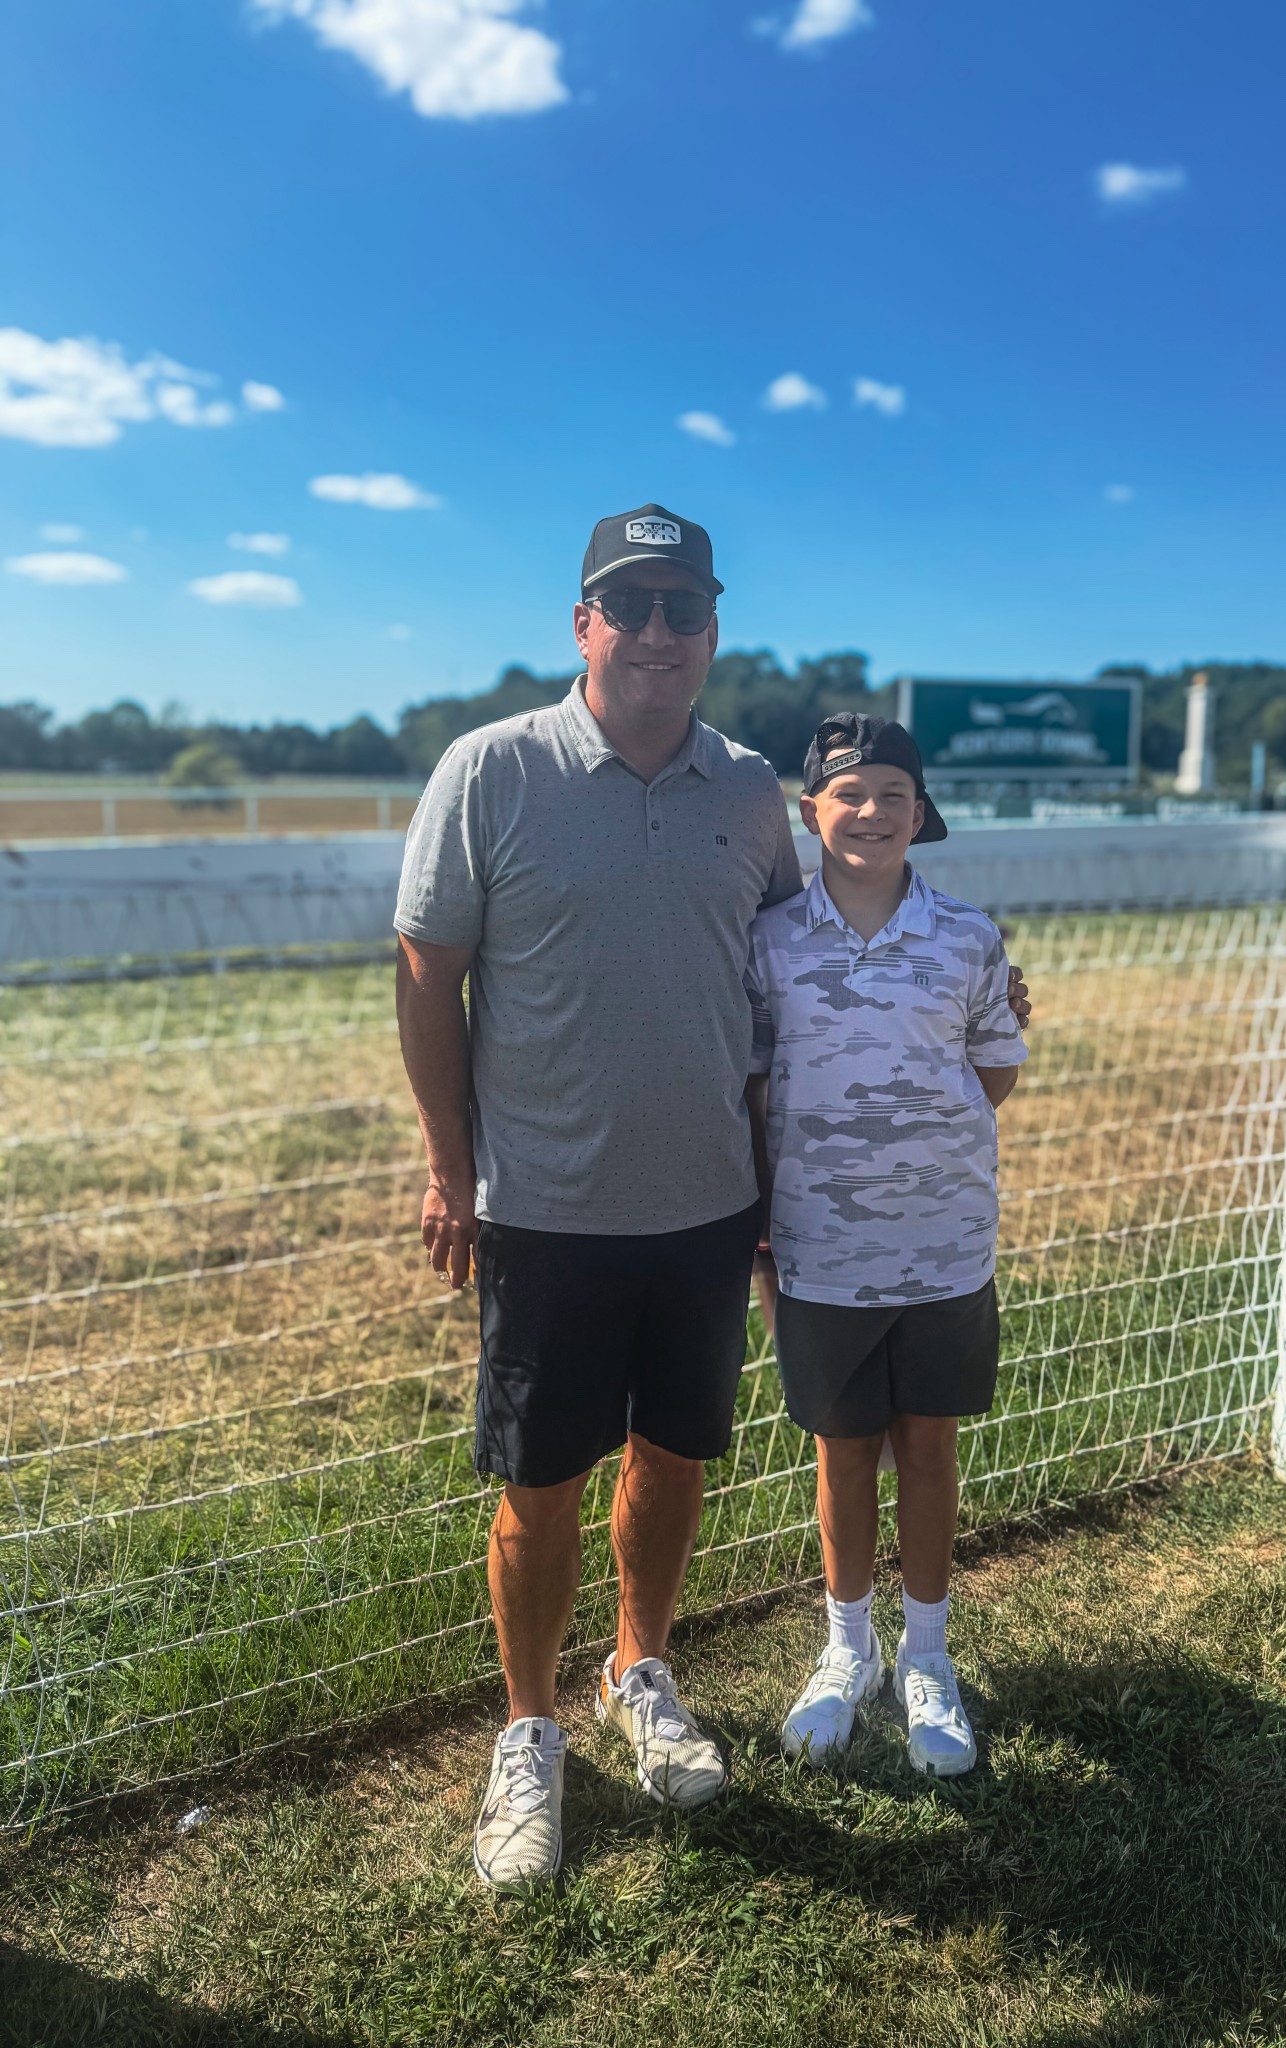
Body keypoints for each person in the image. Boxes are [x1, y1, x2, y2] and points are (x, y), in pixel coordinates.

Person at [393, 504, 804, 1888]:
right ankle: (527, 1731)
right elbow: (426, 972)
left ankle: (641, 1668)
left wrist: (971, 996)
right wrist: (455, 1167)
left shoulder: (751, 793)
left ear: (711, 629)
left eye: (684, 607)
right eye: (630, 607)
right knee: (539, 1483)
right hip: (547, 1209)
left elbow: (799, 970)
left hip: (706, 1206)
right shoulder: (492, 771)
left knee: (676, 1458)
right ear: (584, 624)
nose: (659, 633)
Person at [745, 714, 1028, 1777]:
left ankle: (928, 1655)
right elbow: (756, 1084)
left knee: (930, 1448)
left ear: (923, 815)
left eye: (894, 795)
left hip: (944, 1246)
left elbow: (992, 1070)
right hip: (821, 1249)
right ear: (811, 808)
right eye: (849, 792)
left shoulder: (966, 935)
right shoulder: (769, 941)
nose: (871, 813)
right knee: (842, 1452)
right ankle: (846, 1649)